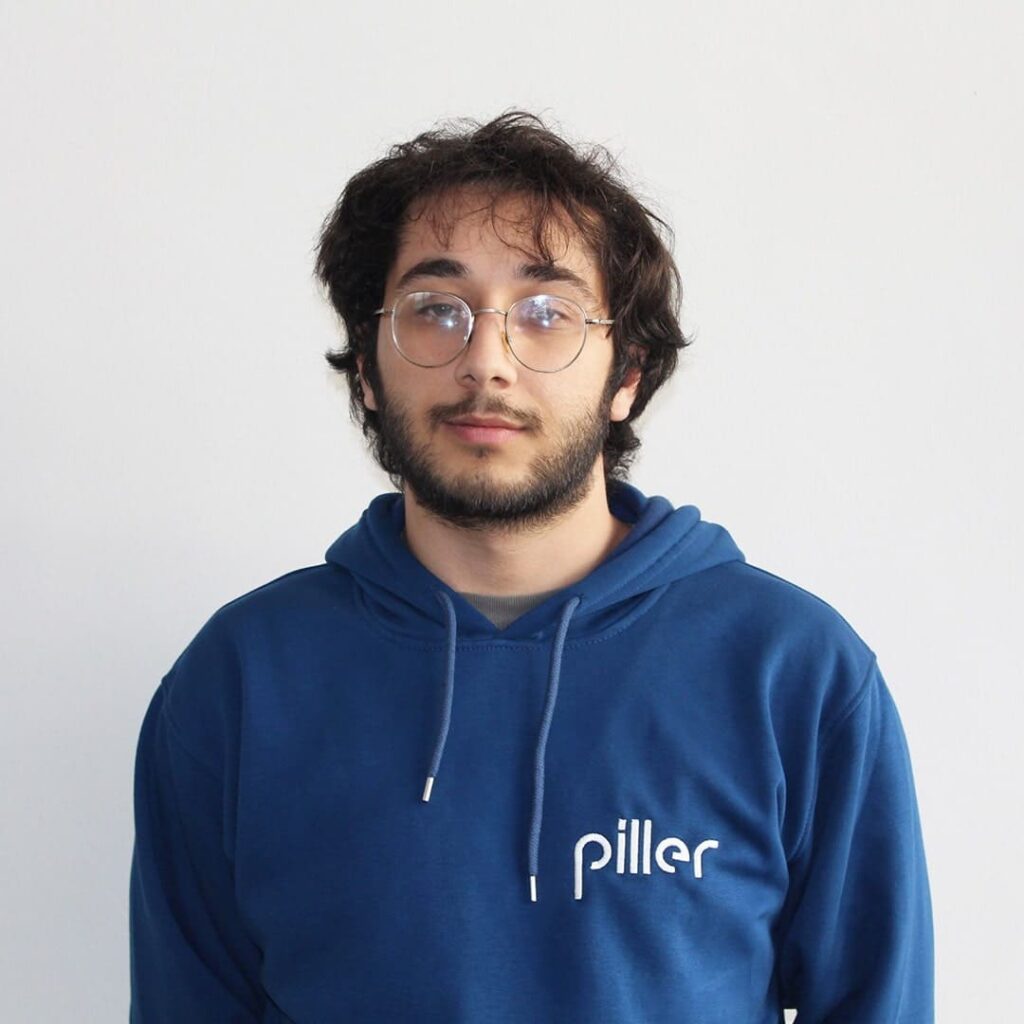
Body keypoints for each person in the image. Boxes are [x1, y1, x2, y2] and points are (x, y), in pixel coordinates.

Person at [129, 111, 934, 1022]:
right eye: (436, 310)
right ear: (367, 368)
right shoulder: (241, 679)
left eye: (547, 314)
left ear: (627, 373)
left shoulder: (793, 671)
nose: (487, 362)